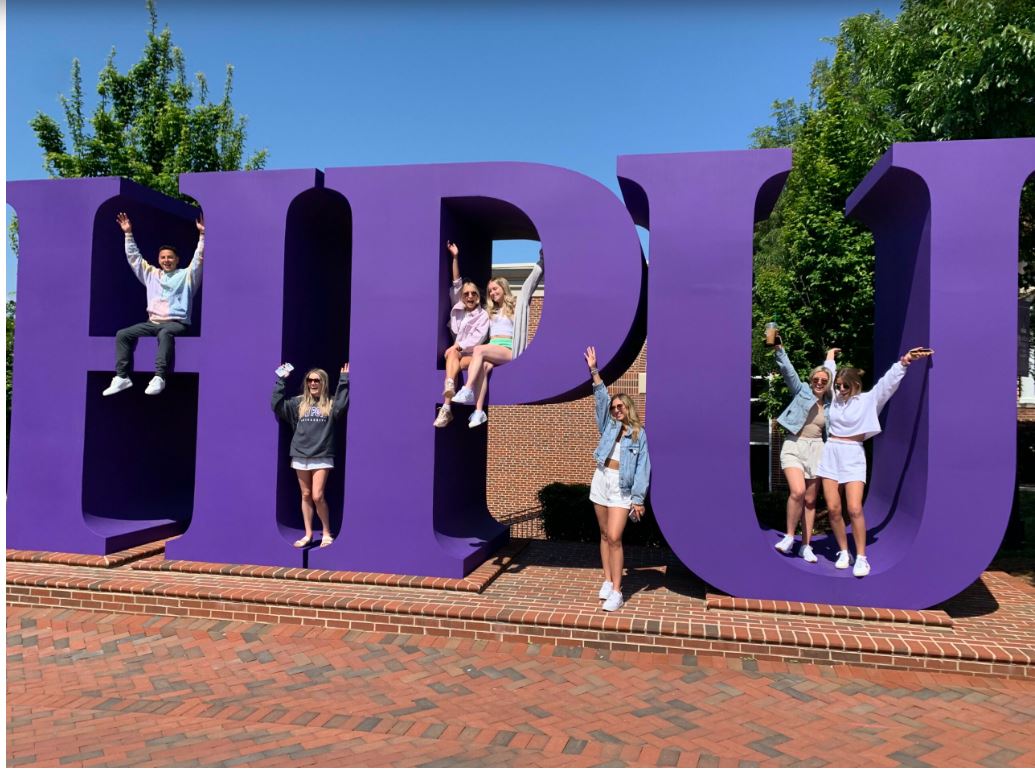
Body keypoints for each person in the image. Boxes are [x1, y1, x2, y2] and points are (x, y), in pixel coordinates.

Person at [816, 346, 934, 577]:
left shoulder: (869, 400)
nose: (840, 389)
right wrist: (830, 357)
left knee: (854, 508)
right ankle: (843, 551)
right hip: (831, 452)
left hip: (853, 454)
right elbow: (829, 376)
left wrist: (906, 360)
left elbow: (887, 384)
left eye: (845, 386)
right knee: (833, 508)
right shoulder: (835, 398)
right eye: (838, 385)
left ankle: (861, 557)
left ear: (855, 385)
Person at [102, 211, 205, 397]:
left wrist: (202, 235)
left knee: (165, 333)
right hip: (152, 323)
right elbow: (135, 260)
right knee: (123, 334)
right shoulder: (152, 275)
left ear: (177, 260)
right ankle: (122, 377)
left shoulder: (186, 276)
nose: (166, 260)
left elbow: (198, 260)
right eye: (163, 257)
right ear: (159, 260)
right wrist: (128, 234)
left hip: (176, 323)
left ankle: (159, 377)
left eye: (170, 257)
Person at [583, 345, 651, 613]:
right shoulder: (608, 425)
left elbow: (643, 467)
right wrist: (593, 370)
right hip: (601, 478)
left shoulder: (638, 434)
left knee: (615, 537)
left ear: (628, 408)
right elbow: (601, 397)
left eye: (620, 406)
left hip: (622, 488)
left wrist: (638, 499)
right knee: (602, 534)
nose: (615, 410)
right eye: (613, 408)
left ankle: (617, 591)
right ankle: (608, 579)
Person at [451, 247, 544, 428]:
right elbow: (461, 293)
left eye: (495, 289)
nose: (492, 293)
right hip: (492, 351)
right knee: (483, 367)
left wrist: (541, 262)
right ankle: (478, 412)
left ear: (503, 287)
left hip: (509, 350)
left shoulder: (516, 304)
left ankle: (468, 389)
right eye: (490, 291)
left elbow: (528, 286)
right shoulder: (489, 311)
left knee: (480, 350)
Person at [770, 337, 836, 563]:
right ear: (811, 380)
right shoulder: (802, 391)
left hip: (817, 449)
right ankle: (789, 537)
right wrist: (779, 348)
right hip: (794, 445)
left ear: (828, 384)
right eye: (816, 379)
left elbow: (833, 375)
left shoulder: (830, 404)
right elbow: (789, 372)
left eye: (823, 380)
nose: (819, 382)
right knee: (797, 492)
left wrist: (829, 359)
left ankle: (805, 545)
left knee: (810, 500)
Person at [272, 364, 350, 548]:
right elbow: (277, 404)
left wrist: (344, 380)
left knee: (317, 495)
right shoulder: (297, 403)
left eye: (317, 380)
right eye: (310, 380)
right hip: (300, 454)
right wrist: (281, 379)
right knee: (305, 495)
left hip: (322, 454)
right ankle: (308, 535)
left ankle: (326, 533)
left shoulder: (330, 404)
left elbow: (342, 405)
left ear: (323, 383)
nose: (313, 383)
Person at [433, 241, 490, 428]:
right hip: (455, 354)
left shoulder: (482, 316)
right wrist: (455, 257)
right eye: (467, 294)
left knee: (452, 354)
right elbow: (456, 282)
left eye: (474, 294)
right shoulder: (458, 307)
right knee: (452, 355)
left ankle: (447, 403)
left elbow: (477, 339)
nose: (470, 297)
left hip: (471, 356)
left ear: (479, 296)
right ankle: (447, 402)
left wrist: (457, 346)